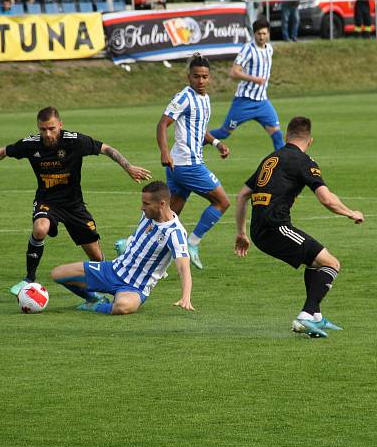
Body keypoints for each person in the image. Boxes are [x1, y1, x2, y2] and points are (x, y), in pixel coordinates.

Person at [0, 106, 151, 297]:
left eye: (52, 128)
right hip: (47, 202)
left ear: (60, 125)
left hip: (74, 205)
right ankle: (29, 279)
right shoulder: (31, 144)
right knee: (40, 228)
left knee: (95, 255)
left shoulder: (74, 141)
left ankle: (109, 285)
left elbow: (106, 148)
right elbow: (3, 151)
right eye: (43, 129)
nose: (47, 133)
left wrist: (127, 167)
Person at [234, 116, 364, 338]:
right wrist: (351, 212)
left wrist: (241, 233)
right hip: (275, 227)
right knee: (332, 264)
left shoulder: (270, 159)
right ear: (310, 140)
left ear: (286, 136)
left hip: (259, 230)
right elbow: (326, 199)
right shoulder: (304, 161)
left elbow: (242, 195)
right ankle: (305, 316)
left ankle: (315, 317)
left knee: (315, 264)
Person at [51, 181, 193, 315]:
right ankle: (93, 298)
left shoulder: (175, 233)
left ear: (162, 204)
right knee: (57, 274)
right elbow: (140, 239)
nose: (141, 207)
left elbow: (183, 267)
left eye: (146, 203)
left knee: (122, 306)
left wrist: (185, 297)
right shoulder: (147, 214)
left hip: (135, 287)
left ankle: (95, 307)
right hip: (112, 269)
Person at [156, 53, 230, 270]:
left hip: (178, 166)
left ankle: (132, 245)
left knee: (168, 216)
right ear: (189, 77)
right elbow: (162, 124)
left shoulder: (204, 99)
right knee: (222, 202)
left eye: (205, 77)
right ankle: (193, 244)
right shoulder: (183, 97)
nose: (201, 81)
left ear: (210, 78)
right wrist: (164, 152)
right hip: (187, 164)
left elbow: (199, 129)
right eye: (196, 76)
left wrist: (217, 143)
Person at [209, 18, 283, 152]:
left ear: (268, 34)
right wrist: (254, 79)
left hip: (262, 102)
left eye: (264, 33)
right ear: (254, 34)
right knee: (224, 133)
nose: (262, 37)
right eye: (259, 34)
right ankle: (193, 144)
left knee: (277, 135)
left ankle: (285, 167)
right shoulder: (248, 49)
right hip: (244, 101)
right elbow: (234, 72)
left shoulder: (269, 50)